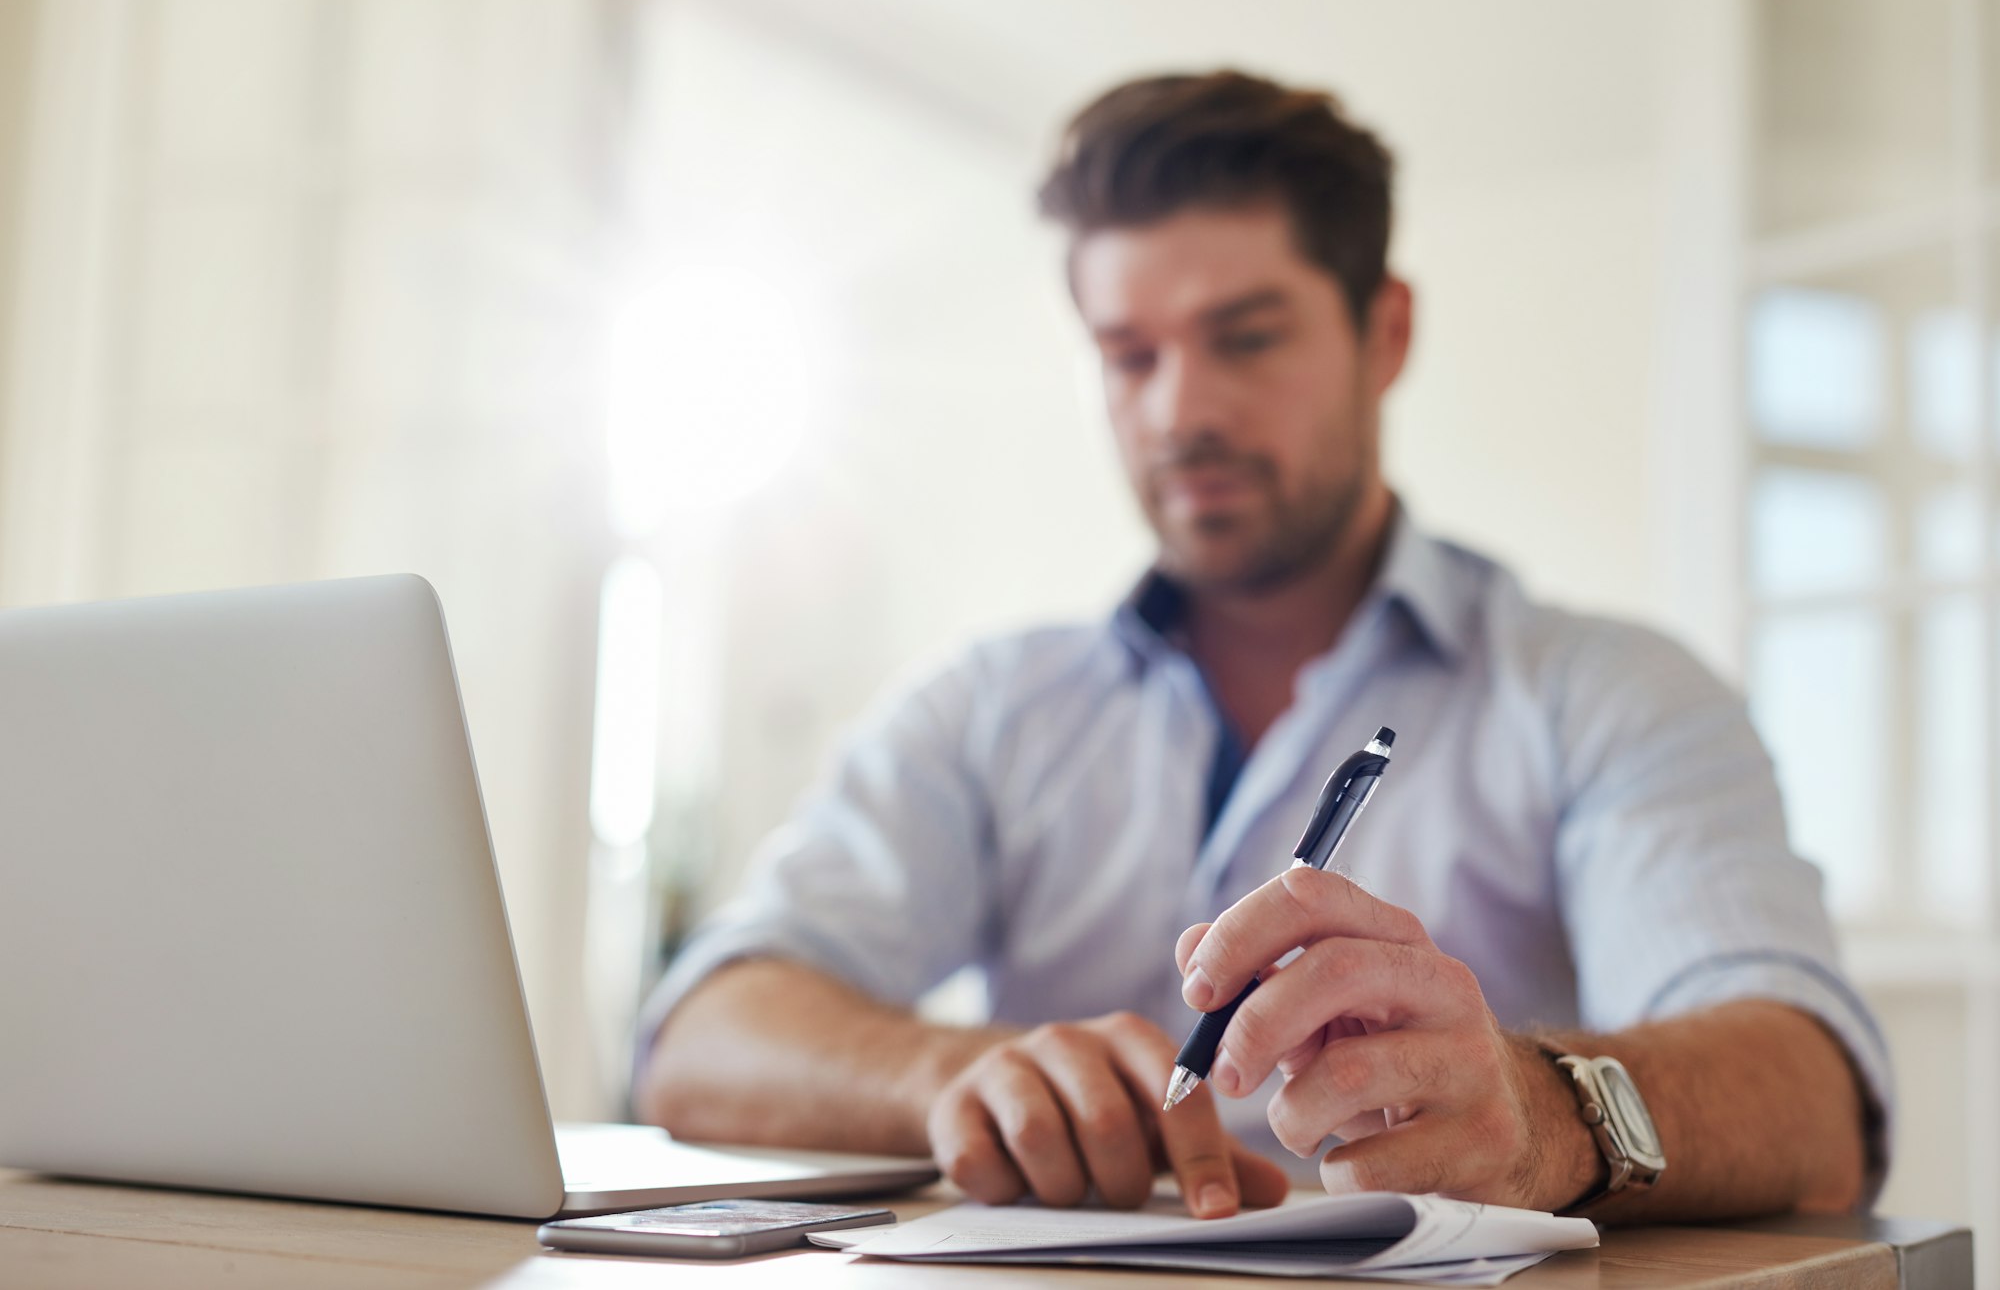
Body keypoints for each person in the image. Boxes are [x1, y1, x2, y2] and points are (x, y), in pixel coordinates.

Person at [632, 70, 1888, 1224]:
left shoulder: (1608, 695)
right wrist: (953, 1074)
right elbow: (702, 1035)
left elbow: (1812, 1100)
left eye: (1246, 336)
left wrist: (1541, 1114)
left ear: (1382, 335)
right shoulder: (986, 707)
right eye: (1128, 355)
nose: (1179, 410)